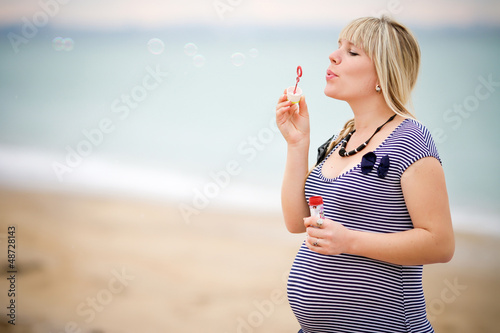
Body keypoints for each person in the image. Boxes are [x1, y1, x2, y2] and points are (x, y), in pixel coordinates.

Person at [275, 16, 454, 333]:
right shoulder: (340, 140)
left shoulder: (410, 141)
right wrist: (297, 142)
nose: (334, 55)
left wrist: (349, 241)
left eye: (352, 52)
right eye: (338, 46)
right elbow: (295, 221)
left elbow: (440, 244)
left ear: (382, 74)